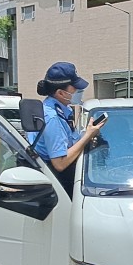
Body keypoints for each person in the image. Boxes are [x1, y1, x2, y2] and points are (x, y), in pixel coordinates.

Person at [27, 62, 105, 194]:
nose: (79, 91)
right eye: (75, 88)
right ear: (61, 93)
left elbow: (69, 141)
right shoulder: (52, 118)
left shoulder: (62, 109)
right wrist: (87, 136)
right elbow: (60, 164)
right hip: (56, 184)